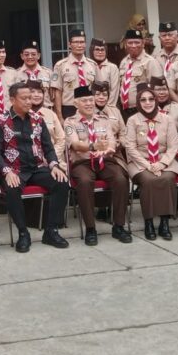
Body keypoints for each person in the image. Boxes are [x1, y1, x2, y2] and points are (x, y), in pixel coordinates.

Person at [0, 83, 70, 253]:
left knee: (62, 182)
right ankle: (23, 233)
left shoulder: (38, 119)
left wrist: (54, 165)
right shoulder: (1, 121)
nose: (29, 101)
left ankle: (51, 230)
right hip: (14, 170)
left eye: (30, 97)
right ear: (12, 100)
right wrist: (6, 171)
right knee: (12, 189)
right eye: (24, 98)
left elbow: (48, 147)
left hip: (37, 167)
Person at [65, 85, 131, 245]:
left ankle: (119, 226)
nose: (89, 103)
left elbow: (111, 141)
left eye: (90, 100)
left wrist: (107, 149)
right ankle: (90, 228)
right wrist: (93, 146)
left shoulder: (104, 120)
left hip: (105, 159)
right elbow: (74, 144)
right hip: (83, 162)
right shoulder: (69, 122)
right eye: (84, 101)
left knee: (121, 179)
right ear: (76, 104)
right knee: (85, 182)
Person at [123, 85, 178, 241]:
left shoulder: (167, 119)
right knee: (148, 180)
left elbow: (173, 145)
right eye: (143, 100)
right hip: (140, 161)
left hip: (164, 160)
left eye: (151, 99)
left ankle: (164, 222)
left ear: (156, 100)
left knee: (167, 179)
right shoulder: (132, 120)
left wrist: (162, 164)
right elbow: (130, 147)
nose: (147, 103)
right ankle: (148, 222)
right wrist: (148, 165)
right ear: (138, 102)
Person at [116, 29, 162, 120]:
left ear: (143, 43)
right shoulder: (124, 62)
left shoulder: (150, 62)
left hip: (142, 110)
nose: (133, 45)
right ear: (125, 44)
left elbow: (158, 88)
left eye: (137, 42)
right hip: (124, 109)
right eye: (130, 42)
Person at [52, 30, 97, 119]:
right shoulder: (60, 65)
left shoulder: (92, 65)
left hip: (89, 107)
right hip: (69, 108)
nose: (79, 45)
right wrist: (59, 116)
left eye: (82, 42)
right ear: (69, 44)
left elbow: (97, 90)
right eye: (76, 42)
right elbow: (58, 92)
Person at [15, 40, 55, 112]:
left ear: (39, 56)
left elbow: (54, 97)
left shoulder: (48, 73)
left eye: (33, 54)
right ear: (22, 56)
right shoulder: (15, 74)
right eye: (26, 54)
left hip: (45, 112)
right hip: (24, 114)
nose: (30, 57)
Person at [90, 38, 120, 117]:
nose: (100, 52)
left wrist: (107, 109)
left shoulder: (112, 67)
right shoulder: (88, 66)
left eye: (102, 50)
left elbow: (114, 91)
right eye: (97, 49)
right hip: (91, 109)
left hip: (108, 110)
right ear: (91, 51)